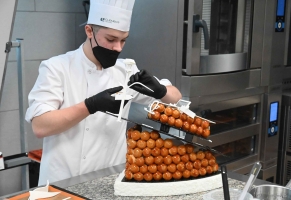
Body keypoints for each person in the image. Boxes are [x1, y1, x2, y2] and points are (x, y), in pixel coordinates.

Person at [25, 0, 182, 185]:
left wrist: (161, 90)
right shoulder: (57, 68)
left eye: (123, 40)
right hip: (62, 182)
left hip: (109, 181)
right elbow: (40, 126)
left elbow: (175, 98)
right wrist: (91, 105)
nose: (118, 48)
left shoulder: (126, 70)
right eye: (111, 39)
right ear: (89, 31)